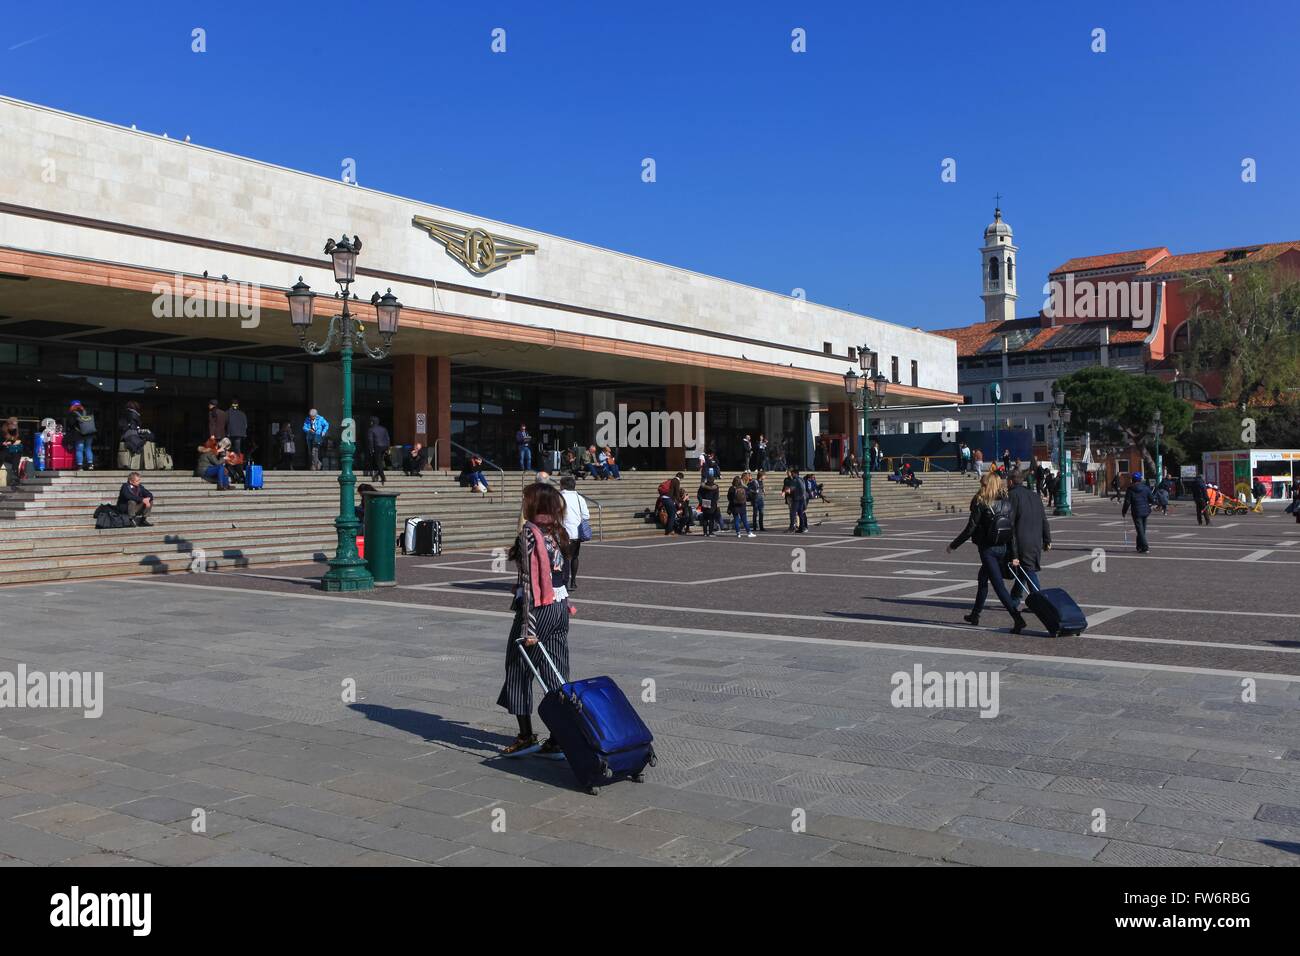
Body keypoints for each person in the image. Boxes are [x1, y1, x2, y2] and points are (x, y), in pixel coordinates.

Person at [497, 483, 573, 757]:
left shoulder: (530, 533)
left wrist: (528, 628)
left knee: (518, 670)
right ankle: (559, 737)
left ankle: (526, 736)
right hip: (560, 607)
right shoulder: (557, 531)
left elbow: (529, 585)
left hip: (537, 610)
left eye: (525, 499)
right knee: (556, 671)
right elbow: (561, 574)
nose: (523, 503)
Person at [946, 471, 1027, 633]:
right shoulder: (1006, 501)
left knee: (998, 586)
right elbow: (1011, 531)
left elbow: (970, 528)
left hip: (988, 550)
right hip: (1003, 547)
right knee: (982, 578)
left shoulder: (981, 501)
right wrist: (1015, 555)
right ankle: (975, 615)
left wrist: (953, 545)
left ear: (986, 485)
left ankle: (1017, 618)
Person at [1005, 469, 1051, 608]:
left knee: (1028, 571)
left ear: (1011, 481)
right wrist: (1047, 539)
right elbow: (1044, 519)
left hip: (1021, 540)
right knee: (1024, 569)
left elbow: (1009, 522)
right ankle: (1014, 598)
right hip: (1036, 540)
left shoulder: (1012, 495)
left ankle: (1041, 604)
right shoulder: (1034, 495)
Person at [559, 476, 590, 591]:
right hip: (577, 533)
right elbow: (586, 515)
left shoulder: (559, 497)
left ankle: (564, 582)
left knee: (565, 558)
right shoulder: (579, 498)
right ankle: (573, 581)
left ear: (562, 485)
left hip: (564, 532)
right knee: (575, 557)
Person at [1122, 471, 1155, 553]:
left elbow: (1127, 502)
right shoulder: (1146, 488)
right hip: (1146, 511)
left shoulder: (1130, 489)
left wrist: (1124, 511)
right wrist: (1150, 505)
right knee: (1142, 530)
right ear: (1140, 479)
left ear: (1133, 480)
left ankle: (1145, 547)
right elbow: (1152, 499)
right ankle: (1139, 546)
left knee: (1140, 530)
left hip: (1136, 511)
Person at [65, 400, 97, 471]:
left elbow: (71, 424)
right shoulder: (87, 411)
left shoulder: (72, 413)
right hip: (89, 433)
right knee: (88, 448)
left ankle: (80, 466)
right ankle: (90, 465)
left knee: (79, 450)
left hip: (79, 434)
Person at [366, 416, 390, 484]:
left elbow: (370, 440)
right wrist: (387, 448)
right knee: (380, 461)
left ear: (372, 422)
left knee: (378, 462)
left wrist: (371, 449)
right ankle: (377, 474)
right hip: (384, 446)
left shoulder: (371, 429)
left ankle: (382, 476)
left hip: (377, 447)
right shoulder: (384, 429)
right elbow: (388, 438)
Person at [783, 467, 807, 533]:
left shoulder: (795, 480)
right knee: (800, 513)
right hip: (802, 498)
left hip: (796, 498)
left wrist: (787, 491)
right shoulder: (802, 479)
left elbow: (791, 489)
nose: (792, 475)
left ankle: (791, 528)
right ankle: (802, 528)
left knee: (792, 513)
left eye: (793, 473)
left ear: (795, 474)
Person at [1, 417, 22, 487]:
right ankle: (14, 478)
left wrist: (17, 442)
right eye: (12, 426)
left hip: (12, 453)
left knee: (17, 453)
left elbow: (19, 439)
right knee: (4, 452)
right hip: (3, 452)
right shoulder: (2, 431)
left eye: (15, 426)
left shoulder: (16, 430)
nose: (14, 428)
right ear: (8, 425)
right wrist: (4, 444)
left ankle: (15, 478)